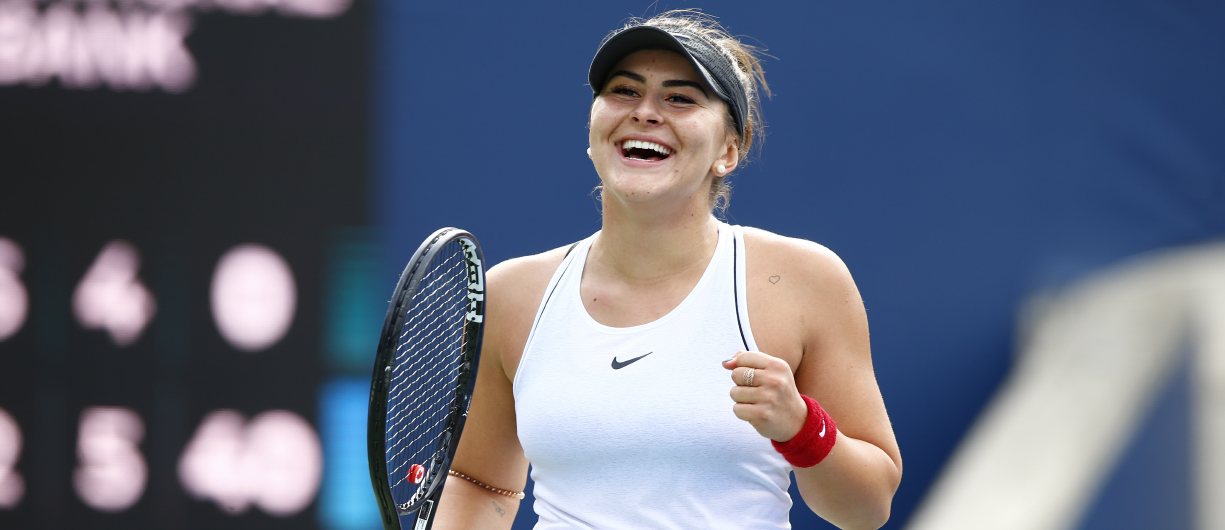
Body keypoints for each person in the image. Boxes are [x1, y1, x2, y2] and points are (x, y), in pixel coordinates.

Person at [436, 10, 901, 530]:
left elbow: (867, 510)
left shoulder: (803, 280)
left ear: (729, 150)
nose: (646, 112)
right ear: (592, 129)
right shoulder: (513, 293)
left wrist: (800, 426)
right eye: (624, 91)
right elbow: (480, 483)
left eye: (680, 98)